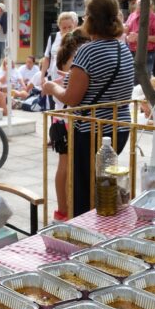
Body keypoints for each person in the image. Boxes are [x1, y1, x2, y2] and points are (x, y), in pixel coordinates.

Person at [41, 0, 134, 216]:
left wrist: (51, 88)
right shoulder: (124, 50)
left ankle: (86, 237)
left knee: (84, 191)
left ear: (90, 19)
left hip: (91, 132)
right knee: (104, 186)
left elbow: (72, 98)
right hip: (119, 128)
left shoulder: (88, 51)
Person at [48, 28, 90, 221]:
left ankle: (62, 210)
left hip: (61, 120)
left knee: (64, 166)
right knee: (67, 167)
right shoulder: (77, 58)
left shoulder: (66, 56)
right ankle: (64, 210)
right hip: (68, 121)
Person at [124, 0, 155, 77]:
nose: (141, 6)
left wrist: (139, 37)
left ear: (150, 5)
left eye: (144, 4)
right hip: (132, 51)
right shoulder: (132, 15)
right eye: (139, 4)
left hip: (147, 53)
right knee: (132, 77)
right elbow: (126, 31)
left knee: (144, 78)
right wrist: (127, 37)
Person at [41, 12, 79, 78]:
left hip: (71, 78)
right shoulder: (53, 37)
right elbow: (47, 58)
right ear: (59, 27)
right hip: (53, 77)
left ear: (74, 25)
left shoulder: (79, 39)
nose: (67, 30)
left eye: (70, 27)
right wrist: (42, 77)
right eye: (64, 28)